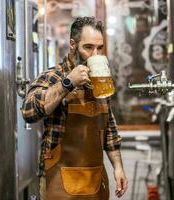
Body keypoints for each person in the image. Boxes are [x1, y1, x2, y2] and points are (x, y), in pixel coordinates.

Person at [21, 16, 128, 200]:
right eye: (88, 47)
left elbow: (109, 129)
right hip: (59, 183)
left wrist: (118, 167)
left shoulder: (100, 80)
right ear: (73, 44)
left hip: (95, 183)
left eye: (99, 48)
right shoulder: (53, 76)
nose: (95, 55)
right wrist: (68, 83)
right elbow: (28, 111)